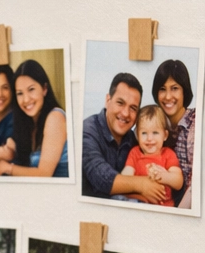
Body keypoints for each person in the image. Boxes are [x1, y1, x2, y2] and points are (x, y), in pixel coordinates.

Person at [81, 73, 161, 201]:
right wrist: (142, 184)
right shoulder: (87, 131)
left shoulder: (134, 139)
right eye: (120, 103)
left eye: (133, 108)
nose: (125, 113)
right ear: (108, 101)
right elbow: (101, 178)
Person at [0, 59, 69, 178]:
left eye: (31, 89)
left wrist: (7, 168)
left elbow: (44, 173)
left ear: (44, 89)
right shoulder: (30, 123)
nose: (26, 99)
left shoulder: (56, 118)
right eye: (20, 93)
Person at [154, 59, 196, 208]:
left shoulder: (195, 124)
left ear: (184, 90)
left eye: (174, 88)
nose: (167, 96)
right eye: (162, 89)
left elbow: (196, 183)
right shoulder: (153, 123)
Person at [121, 104, 183, 206]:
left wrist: (164, 176)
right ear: (137, 135)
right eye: (144, 133)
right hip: (138, 203)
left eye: (155, 133)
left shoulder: (168, 154)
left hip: (164, 208)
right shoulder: (135, 153)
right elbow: (125, 178)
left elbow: (178, 182)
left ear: (165, 135)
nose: (149, 138)